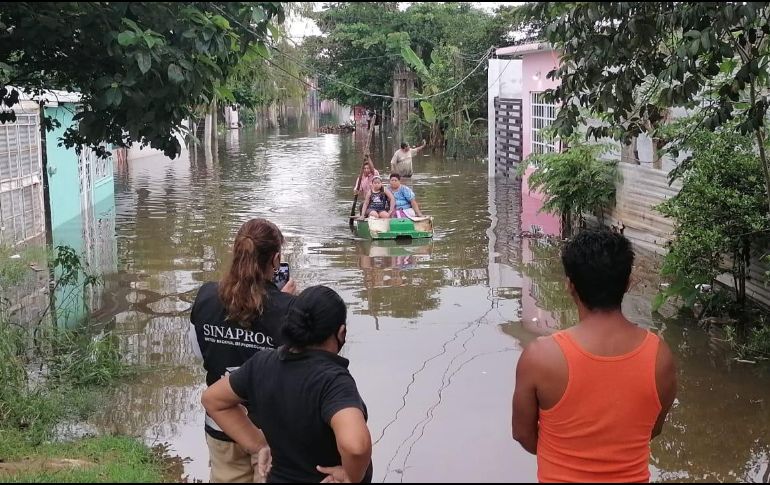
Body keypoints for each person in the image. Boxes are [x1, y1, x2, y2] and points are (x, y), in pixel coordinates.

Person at [511, 229, 677, 483]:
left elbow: (523, 434)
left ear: (570, 286)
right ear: (628, 283)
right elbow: (652, 429)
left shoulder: (540, 357)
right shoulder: (660, 356)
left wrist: (562, 452)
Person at [202, 286, 373, 483]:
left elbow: (213, 400)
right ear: (341, 332)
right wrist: (351, 477)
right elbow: (355, 447)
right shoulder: (333, 381)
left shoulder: (262, 363)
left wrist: (259, 445)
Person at [189, 218, 297, 483]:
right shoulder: (290, 310)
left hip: (221, 424)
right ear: (275, 260)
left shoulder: (206, 296)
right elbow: (299, 371)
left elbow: (198, 352)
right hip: (272, 432)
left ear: (236, 251)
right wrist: (288, 304)